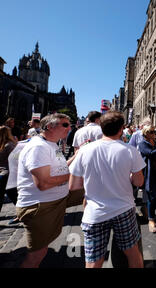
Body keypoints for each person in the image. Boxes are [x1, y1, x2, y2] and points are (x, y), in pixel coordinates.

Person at [69, 111, 145, 268]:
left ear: (101, 127)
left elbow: (73, 186)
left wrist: (92, 181)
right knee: (132, 252)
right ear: (121, 129)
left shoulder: (84, 150)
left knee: (93, 261)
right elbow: (139, 181)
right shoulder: (130, 150)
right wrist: (127, 176)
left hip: (95, 212)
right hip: (124, 209)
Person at [15, 113, 84, 268]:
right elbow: (43, 183)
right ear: (49, 127)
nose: (70, 128)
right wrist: (72, 176)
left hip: (56, 199)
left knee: (91, 188)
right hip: (41, 206)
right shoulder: (38, 147)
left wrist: (76, 156)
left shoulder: (52, 144)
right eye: (65, 125)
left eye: (70, 124)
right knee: (37, 254)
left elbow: (61, 166)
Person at [138, 126, 156, 233]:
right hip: (149, 173)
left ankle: (147, 210)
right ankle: (151, 220)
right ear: (145, 134)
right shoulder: (142, 144)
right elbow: (150, 153)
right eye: (151, 132)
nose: (154, 133)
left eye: (154, 131)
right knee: (151, 196)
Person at [0, 126, 17, 213]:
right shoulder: (2, 144)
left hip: (6, 173)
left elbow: (16, 159)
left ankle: (22, 213)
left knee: (12, 194)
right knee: (12, 194)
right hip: (3, 172)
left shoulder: (9, 145)